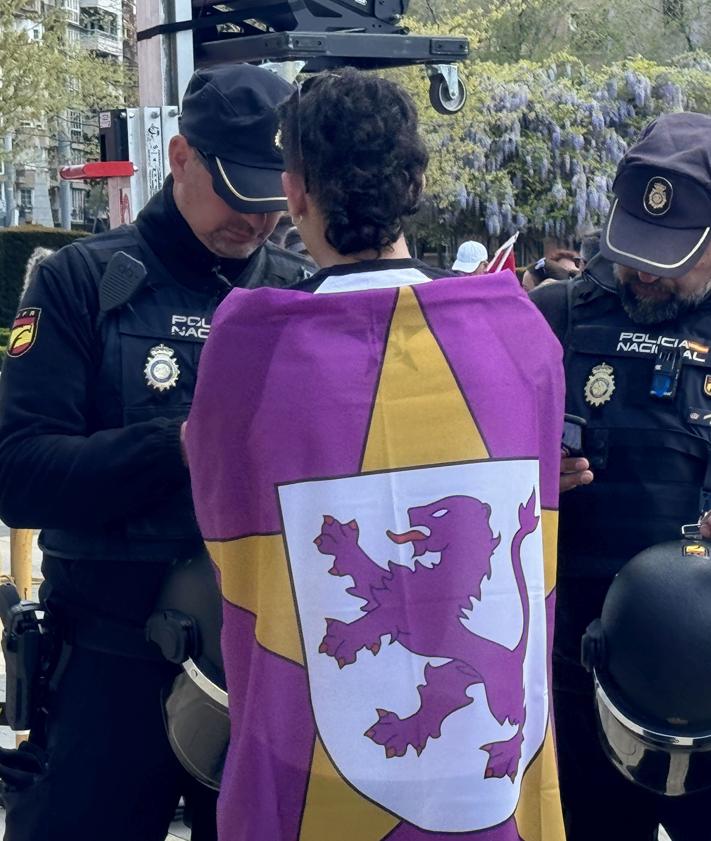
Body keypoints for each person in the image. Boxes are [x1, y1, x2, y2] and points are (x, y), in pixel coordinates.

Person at [185, 69, 566, 841]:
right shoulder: (518, 334)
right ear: (417, 182)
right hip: (482, 789)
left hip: (309, 767)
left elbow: (224, 517)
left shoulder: (247, 352)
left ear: (293, 191)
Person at [0, 63, 312, 841]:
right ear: (179, 157)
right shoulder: (79, 282)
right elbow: (19, 473)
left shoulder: (305, 302)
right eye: (235, 191)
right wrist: (179, 446)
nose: (255, 220)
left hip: (261, 667)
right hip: (109, 667)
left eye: (272, 199)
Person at [531, 111, 711, 841]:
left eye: (670, 257)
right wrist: (534, 476)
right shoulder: (555, 316)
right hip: (583, 674)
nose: (644, 272)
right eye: (636, 249)